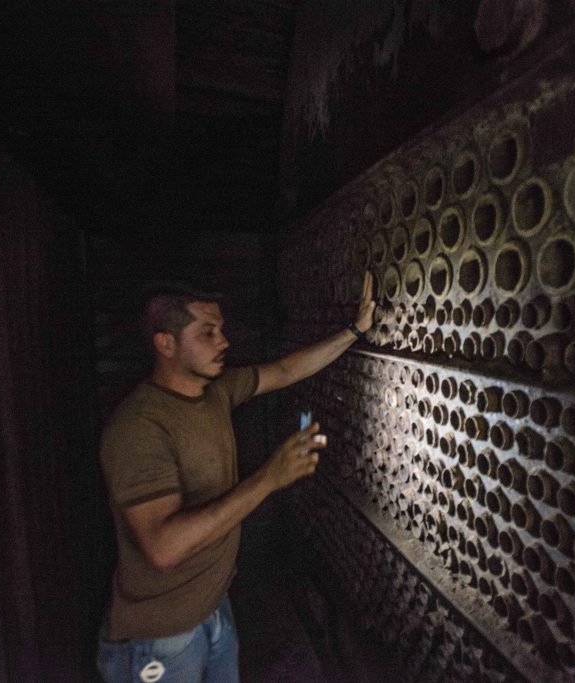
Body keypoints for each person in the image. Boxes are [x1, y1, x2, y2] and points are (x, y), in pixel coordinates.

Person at [96, 273, 375, 682]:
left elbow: (283, 370)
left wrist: (354, 331)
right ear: (165, 343)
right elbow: (163, 548)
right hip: (158, 642)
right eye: (208, 332)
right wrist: (268, 478)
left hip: (213, 611)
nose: (224, 341)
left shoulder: (216, 391)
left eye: (221, 329)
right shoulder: (139, 428)